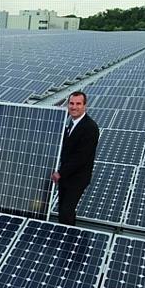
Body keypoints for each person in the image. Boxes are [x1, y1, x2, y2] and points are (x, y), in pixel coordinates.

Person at [51, 91, 99, 225]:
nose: (74, 107)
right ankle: (66, 234)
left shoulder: (90, 127)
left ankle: (68, 240)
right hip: (66, 177)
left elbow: (81, 157)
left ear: (85, 106)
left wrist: (60, 173)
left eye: (78, 104)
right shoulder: (69, 124)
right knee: (64, 210)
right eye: (71, 103)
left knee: (66, 211)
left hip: (77, 178)